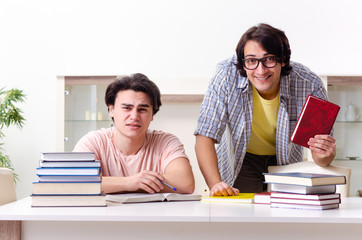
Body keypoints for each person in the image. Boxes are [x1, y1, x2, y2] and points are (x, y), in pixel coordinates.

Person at [194, 23, 336, 196]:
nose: (260, 70)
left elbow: (321, 157)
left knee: (283, 217)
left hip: (286, 161)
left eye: (269, 59)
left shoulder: (310, 84)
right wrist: (216, 184)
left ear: (283, 60)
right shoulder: (226, 75)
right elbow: (205, 136)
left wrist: (324, 155)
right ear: (243, 63)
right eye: (251, 61)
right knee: (246, 217)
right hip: (243, 159)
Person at [74, 73, 195, 194]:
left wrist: (111, 184)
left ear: (152, 114)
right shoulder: (93, 142)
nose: (134, 117)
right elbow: (76, 183)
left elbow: (185, 183)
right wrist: (129, 183)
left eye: (142, 109)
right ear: (111, 110)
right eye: (127, 108)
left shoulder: (166, 142)